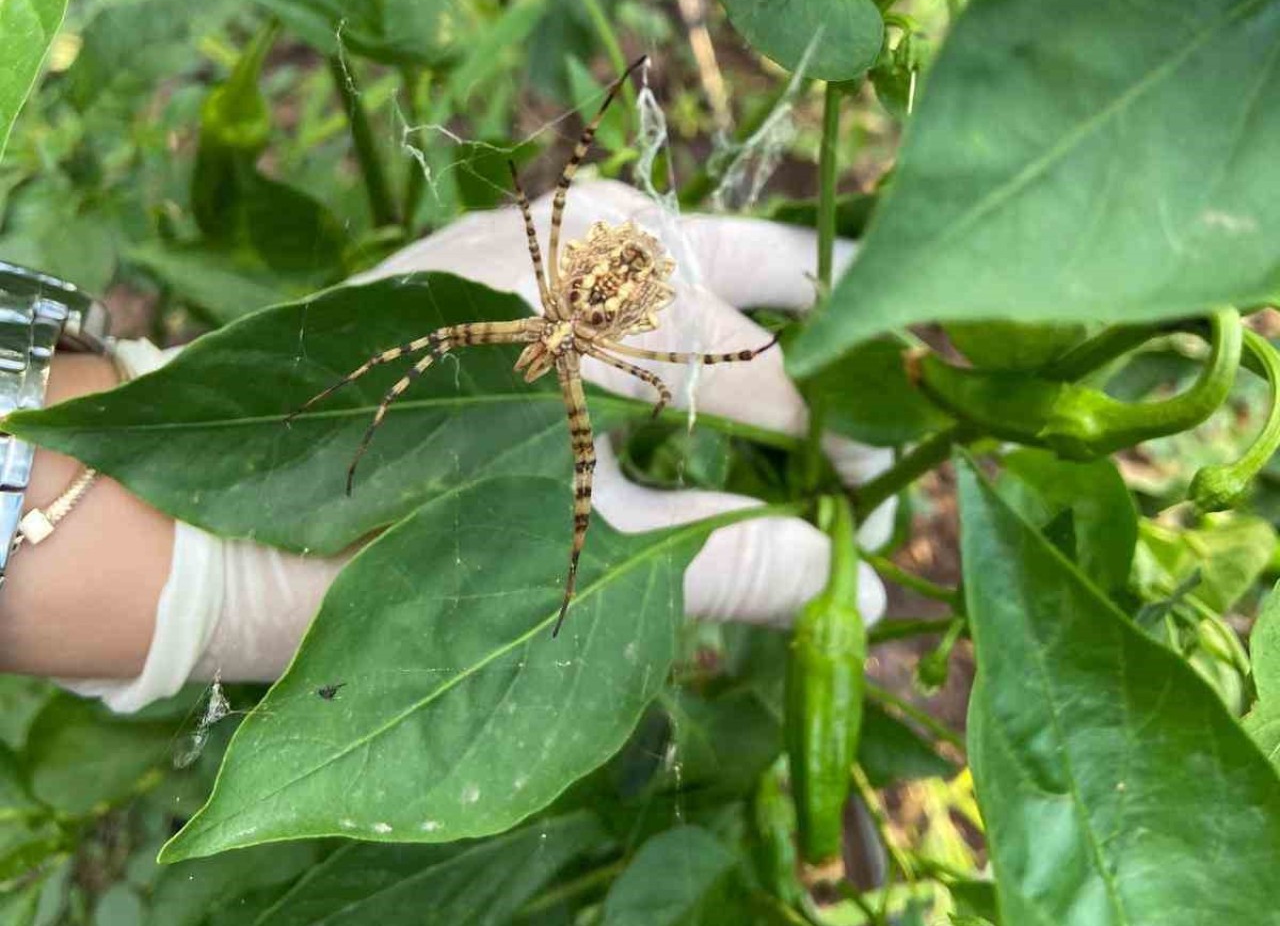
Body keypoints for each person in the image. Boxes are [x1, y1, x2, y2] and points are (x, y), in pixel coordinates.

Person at [0, 182, 889, 712]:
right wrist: (200, 569)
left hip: (573, 340)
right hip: (539, 347)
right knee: (420, 351)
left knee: (560, 417)